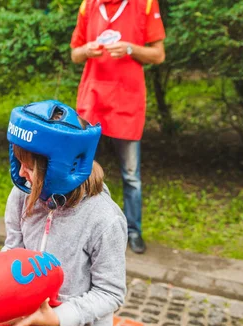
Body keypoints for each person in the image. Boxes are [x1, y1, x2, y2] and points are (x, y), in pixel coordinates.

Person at [0, 100, 127, 326]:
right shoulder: (22, 196)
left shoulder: (105, 219)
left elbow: (110, 293)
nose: (21, 173)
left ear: (59, 167)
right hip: (34, 320)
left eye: (29, 166)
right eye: (18, 161)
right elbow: (13, 249)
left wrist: (57, 316)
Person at [70, 0, 166, 254]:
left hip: (126, 101)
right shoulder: (88, 5)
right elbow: (74, 53)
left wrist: (130, 49)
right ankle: (82, 229)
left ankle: (133, 231)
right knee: (84, 170)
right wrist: (86, 49)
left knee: (131, 175)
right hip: (93, 100)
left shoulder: (144, 4)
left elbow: (158, 54)